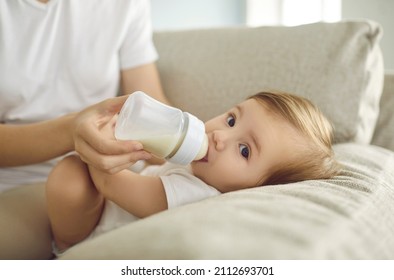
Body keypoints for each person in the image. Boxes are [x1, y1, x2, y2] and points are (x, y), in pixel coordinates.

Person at [46, 91, 340, 255]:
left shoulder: (196, 195)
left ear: (257, 189)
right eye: (231, 119)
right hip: (104, 206)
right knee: (75, 170)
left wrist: (108, 141)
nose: (220, 136)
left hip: (96, 235)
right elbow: (151, 166)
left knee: (69, 176)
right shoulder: (199, 166)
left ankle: (68, 246)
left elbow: (112, 183)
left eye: (245, 150)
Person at [0, 0, 167, 192]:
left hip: (114, 173)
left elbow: (150, 103)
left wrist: (195, 143)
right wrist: (70, 132)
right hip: (18, 181)